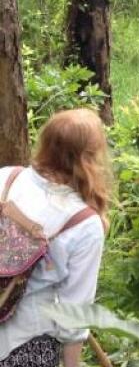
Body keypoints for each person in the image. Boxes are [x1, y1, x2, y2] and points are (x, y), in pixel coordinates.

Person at [0, 109, 112, 367]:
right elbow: (74, 317)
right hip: (25, 347)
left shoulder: (6, 177)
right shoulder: (83, 223)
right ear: (89, 159)